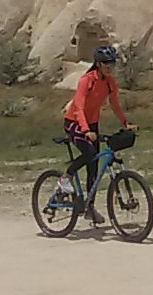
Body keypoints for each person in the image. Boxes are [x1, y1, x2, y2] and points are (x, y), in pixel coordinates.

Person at [58, 44, 137, 224]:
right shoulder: (87, 80)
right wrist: (86, 130)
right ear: (98, 64)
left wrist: (126, 122)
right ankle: (65, 177)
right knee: (90, 154)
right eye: (106, 63)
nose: (110, 66)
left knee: (93, 167)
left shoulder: (110, 83)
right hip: (75, 122)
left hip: (92, 123)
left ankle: (89, 207)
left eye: (112, 63)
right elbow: (78, 107)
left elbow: (115, 105)